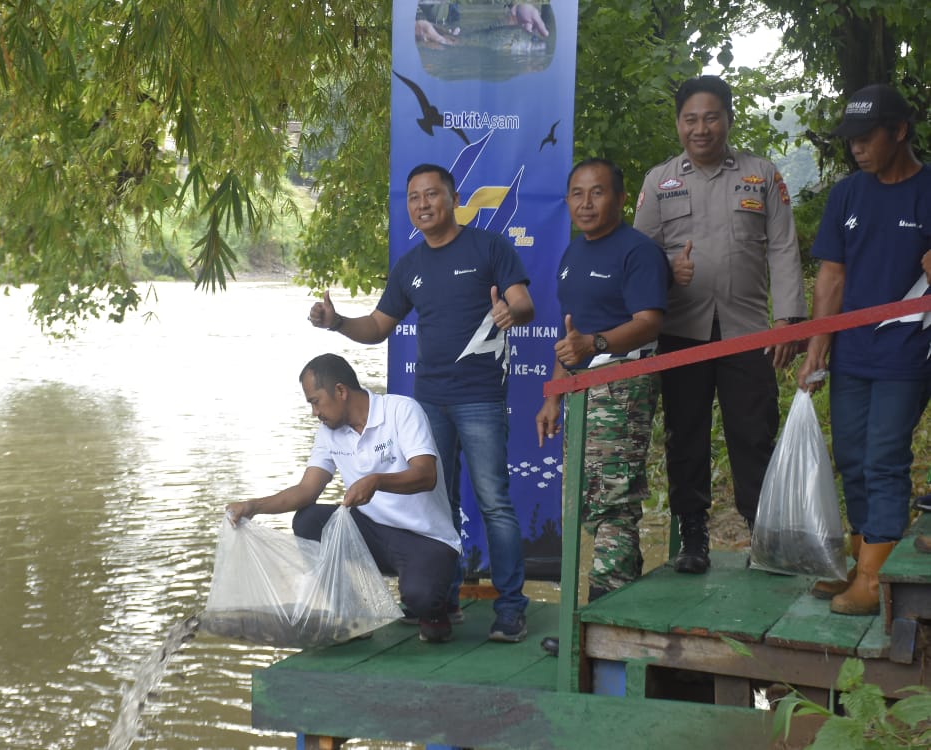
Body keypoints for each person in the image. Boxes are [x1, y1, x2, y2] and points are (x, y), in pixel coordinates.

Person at [308, 163, 535, 643]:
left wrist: (509, 310)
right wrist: (337, 322)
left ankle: (512, 608)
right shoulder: (410, 266)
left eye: (432, 195)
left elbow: (524, 303)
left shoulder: (489, 247)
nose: (423, 204)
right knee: (439, 500)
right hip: (430, 399)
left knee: (494, 502)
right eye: (414, 197)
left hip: (480, 398)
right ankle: (443, 599)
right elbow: (377, 327)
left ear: (453, 198)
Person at [633, 74, 807, 574]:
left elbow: (782, 248)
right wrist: (668, 268)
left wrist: (789, 320)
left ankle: (763, 533)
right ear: (678, 124)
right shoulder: (659, 181)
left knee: (753, 433)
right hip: (681, 332)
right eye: (691, 119)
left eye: (711, 117)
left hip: (749, 329)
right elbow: (638, 256)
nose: (701, 128)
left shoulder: (761, 175)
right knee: (684, 435)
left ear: (728, 119)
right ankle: (693, 536)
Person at [796, 84, 931, 615]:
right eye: (849, 139)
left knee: (883, 458)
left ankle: (877, 580)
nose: (856, 147)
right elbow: (831, 276)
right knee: (850, 456)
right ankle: (860, 559)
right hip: (851, 352)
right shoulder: (847, 194)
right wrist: (816, 347)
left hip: (909, 352)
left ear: (900, 132)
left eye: (866, 136)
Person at [226, 354, 462, 642]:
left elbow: (426, 476)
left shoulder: (401, 410)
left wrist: (376, 481)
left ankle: (435, 611)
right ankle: (354, 614)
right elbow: (306, 491)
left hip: (424, 537)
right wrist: (254, 506)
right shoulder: (328, 432)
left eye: (315, 401)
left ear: (340, 391)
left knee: (420, 597)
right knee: (309, 520)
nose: (314, 413)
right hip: (372, 531)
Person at [536, 158, 670, 601]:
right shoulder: (574, 253)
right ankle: (612, 606)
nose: (586, 203)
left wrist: (595, 345)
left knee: (614, 497)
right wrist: (553, 394)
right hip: (578, 389)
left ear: (620, 198)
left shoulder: (637, 251)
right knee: (592, 498)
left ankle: (603, 612)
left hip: (621, 384)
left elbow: (649, 321)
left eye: (598, 192)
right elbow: (569, 334)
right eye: (577, 193)